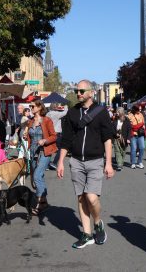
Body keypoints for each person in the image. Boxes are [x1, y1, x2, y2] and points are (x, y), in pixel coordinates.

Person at [57, 79, 115, 249]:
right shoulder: (73, 113)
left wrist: (109, 163)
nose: (78, 93)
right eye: (77, 90)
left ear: (91, 92)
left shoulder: (101, 112)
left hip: (95, 160)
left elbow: (107, 138)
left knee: (91, 196)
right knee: (81, 197)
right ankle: (87, 234)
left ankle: (98, 223)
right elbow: (66, 140)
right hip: (76, 161)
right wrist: (60, 161)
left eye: (82, 91)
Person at [24, 100, 57, 215]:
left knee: (37, 175)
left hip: (45, 151)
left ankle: (39, 203)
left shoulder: (47, 120)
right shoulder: (31, 121)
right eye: (30, 106)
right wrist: (25, 136)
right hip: (33, 152)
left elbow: (54, 136)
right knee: (37, 178)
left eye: (32, 106)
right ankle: (45, 202)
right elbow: (29, 136)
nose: (30, 108)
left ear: (39, 107)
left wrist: (45, 140)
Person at [46, 102, 68, 170]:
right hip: (57, 133)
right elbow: (65, 112)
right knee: (61, 149)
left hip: (50, 133)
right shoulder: (57, 114)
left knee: (49, 149)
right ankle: (54, 163)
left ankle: (46, 164)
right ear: (56, 107)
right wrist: (65, 106)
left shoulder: (48, 114)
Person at [127, 105, 146, 169]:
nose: (140, 111)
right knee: (133, 149)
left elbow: (143, 124)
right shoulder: (129, 116)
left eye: (140, 109)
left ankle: (139, 162)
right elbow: (130, 126)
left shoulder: (141, 115)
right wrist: (138, 125)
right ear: (134, 110)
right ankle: (133, 163)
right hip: (133, 135)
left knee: (142, 148)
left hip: (140, 134)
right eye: (138, 109)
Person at [112, 107, 131, 171]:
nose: (116, 113)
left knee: (123, 151)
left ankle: (121, 163)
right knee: (117, 151)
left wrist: (128, 138)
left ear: (121, 112)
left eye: (117, 112)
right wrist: (115, 134)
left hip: (124, 139)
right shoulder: (115, 119)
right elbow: (112, 129)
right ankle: (119, 164)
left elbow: (129, 130)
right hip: (116, 138)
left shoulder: (126, 120)